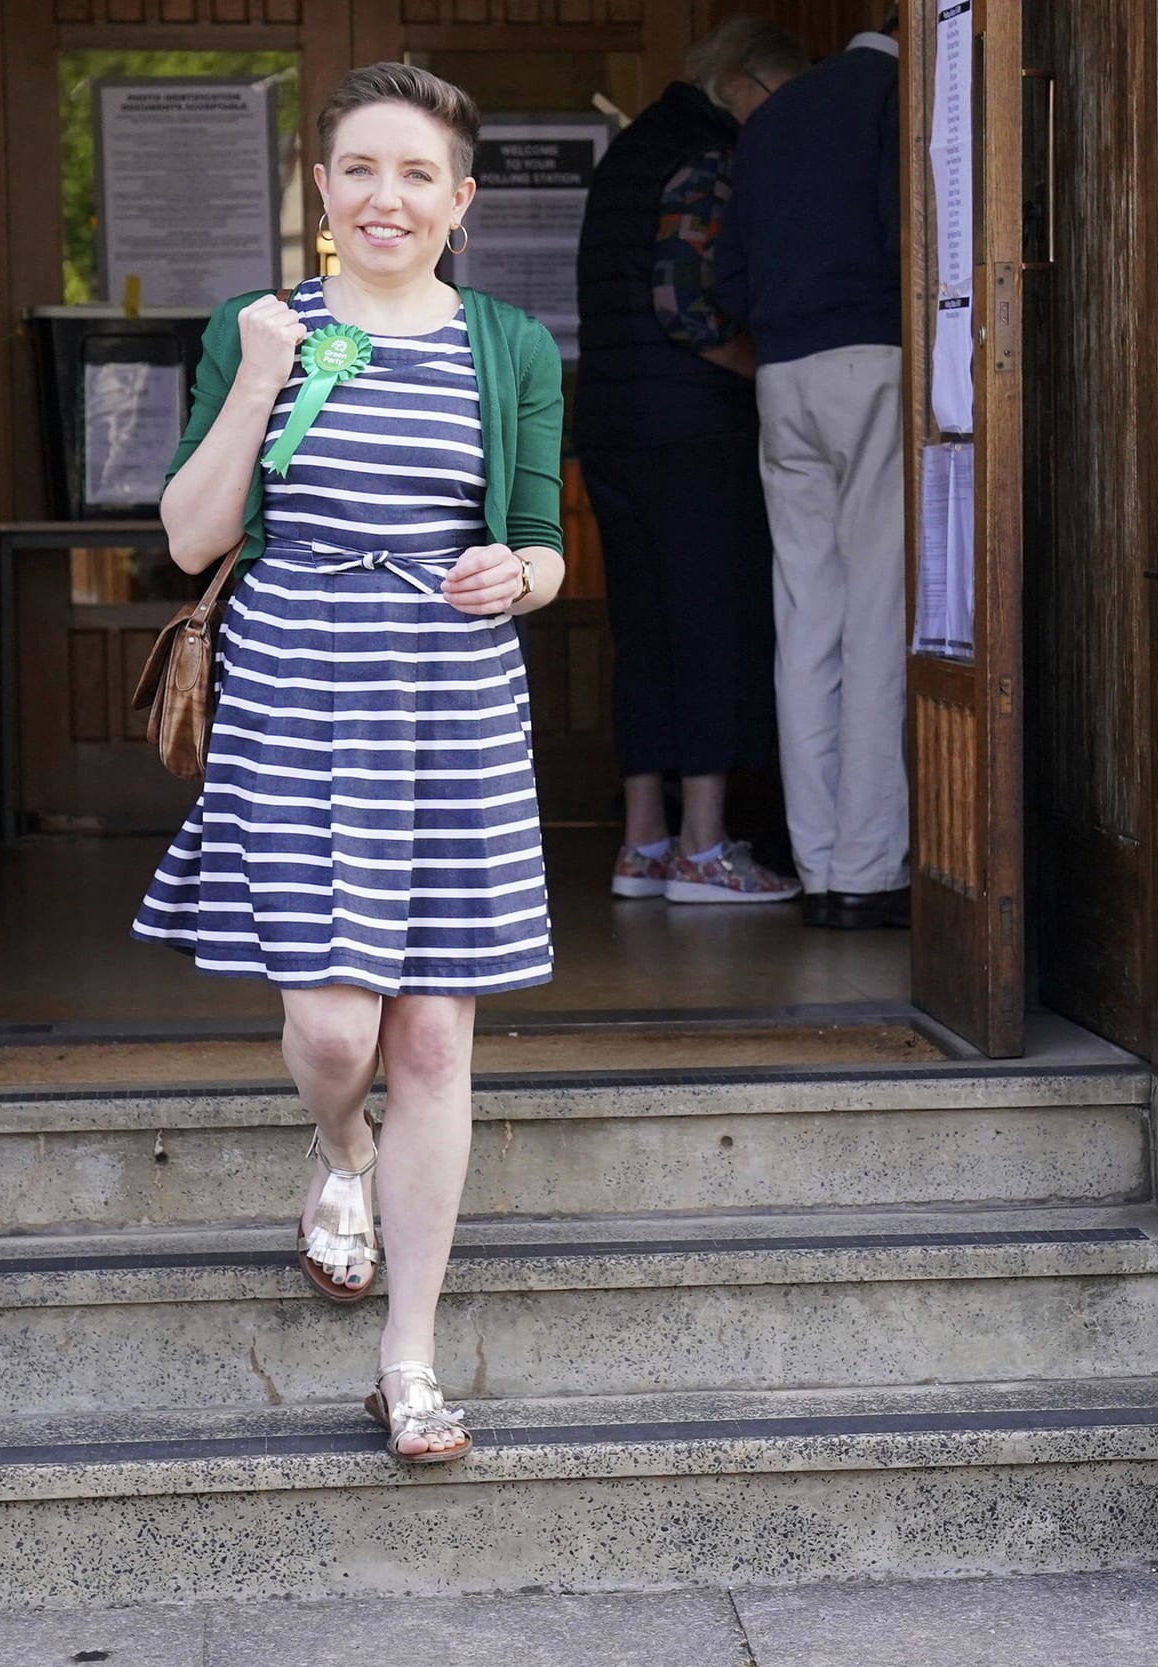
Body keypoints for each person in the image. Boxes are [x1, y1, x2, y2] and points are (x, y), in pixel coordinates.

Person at [132, 62, 567, 1466]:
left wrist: (523, 571)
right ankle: (344, 1149)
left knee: (435, 1030)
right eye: (361, 170)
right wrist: (259, 375)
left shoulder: (507, 345)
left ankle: (411, 1354)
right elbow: (194, 538)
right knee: (336, 1031)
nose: (388, 196)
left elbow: (545, 533)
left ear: (461, 202)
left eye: (418, 174)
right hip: (296, 691)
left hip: (449, 699)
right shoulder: (257, 330)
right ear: (321, 191)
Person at [577, 17, 806, 907]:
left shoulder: (631, 149)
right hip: (693, 432)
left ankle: (643, 841)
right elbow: (692, 311)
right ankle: (704, 848)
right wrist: (773, 369)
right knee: (710, 625)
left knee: (643, 630)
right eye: (779, 102)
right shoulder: (708, 154)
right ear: (743, 85)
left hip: (613, 426)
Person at [715, 12, 911, 931]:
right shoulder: (903, 99)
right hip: (872, 358)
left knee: (806, 616)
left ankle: (818, 857)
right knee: (877, 612)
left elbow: (727, 280)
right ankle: (867, 872)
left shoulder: (778, 115)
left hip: (783, 373)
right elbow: (912, 239)